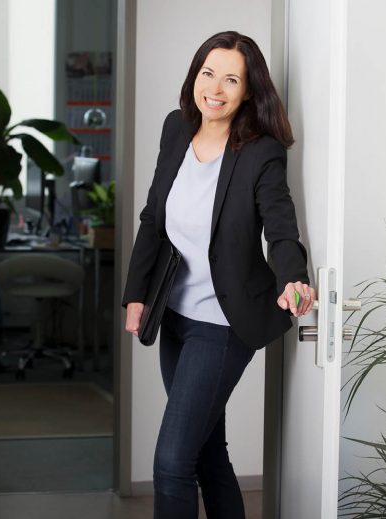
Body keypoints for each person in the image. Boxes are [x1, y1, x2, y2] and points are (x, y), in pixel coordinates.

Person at [121, 30, 315, 519]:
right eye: (208, 73)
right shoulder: (175, 129)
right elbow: (153, 216)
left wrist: (293, 277)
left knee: (172, 463)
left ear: (248, 92)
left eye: (232, 79)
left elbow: (281, 226)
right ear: (195, 76)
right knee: (207, 453)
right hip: (174, 315)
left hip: (223, 325)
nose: (216, 88)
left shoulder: (260, 151)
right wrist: (136, 293)